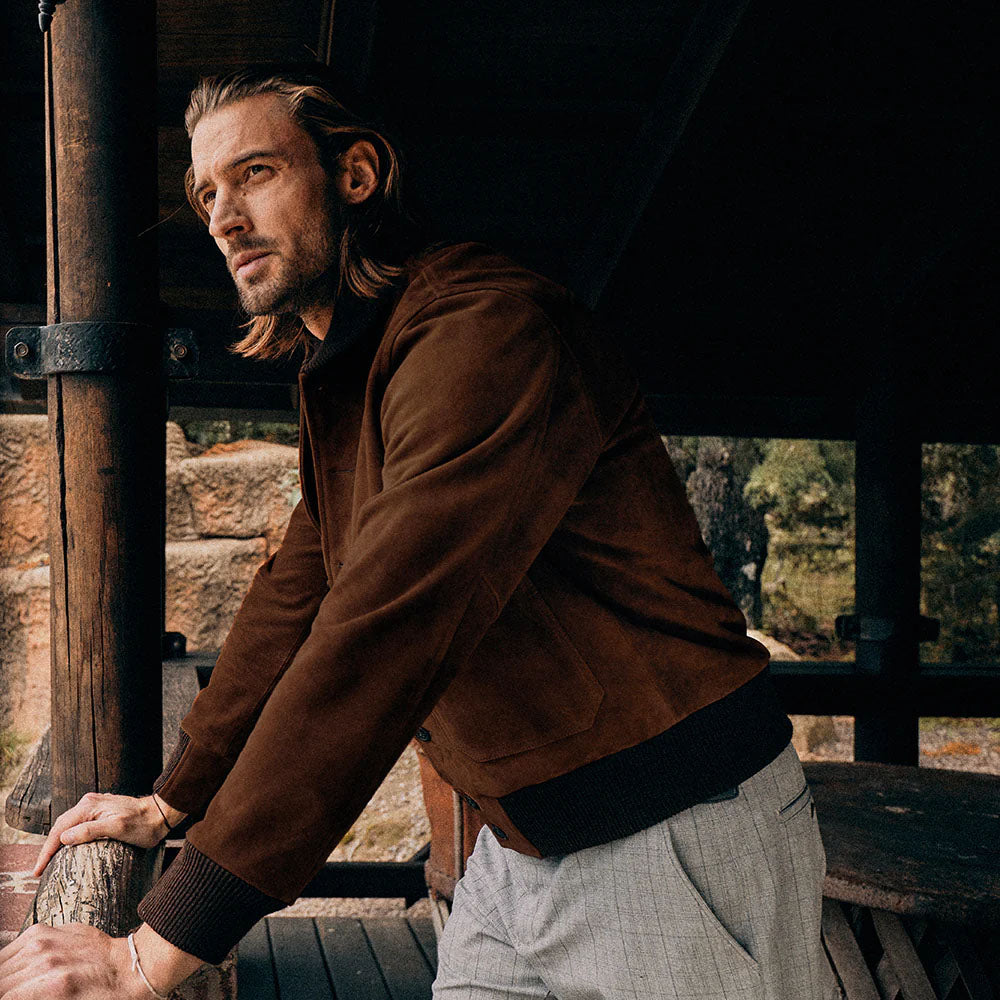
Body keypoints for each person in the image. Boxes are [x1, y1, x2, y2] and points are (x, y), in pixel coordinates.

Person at [0, 65, 836, 1000]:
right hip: (516, 854)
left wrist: (154, 948)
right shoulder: (351, 374)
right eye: (206, 193)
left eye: (256, 174)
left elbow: (382, 631)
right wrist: (174, 796)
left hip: (674, 839)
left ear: (355, 175)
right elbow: (296, 596)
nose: (223, 217)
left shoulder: (486, 330)